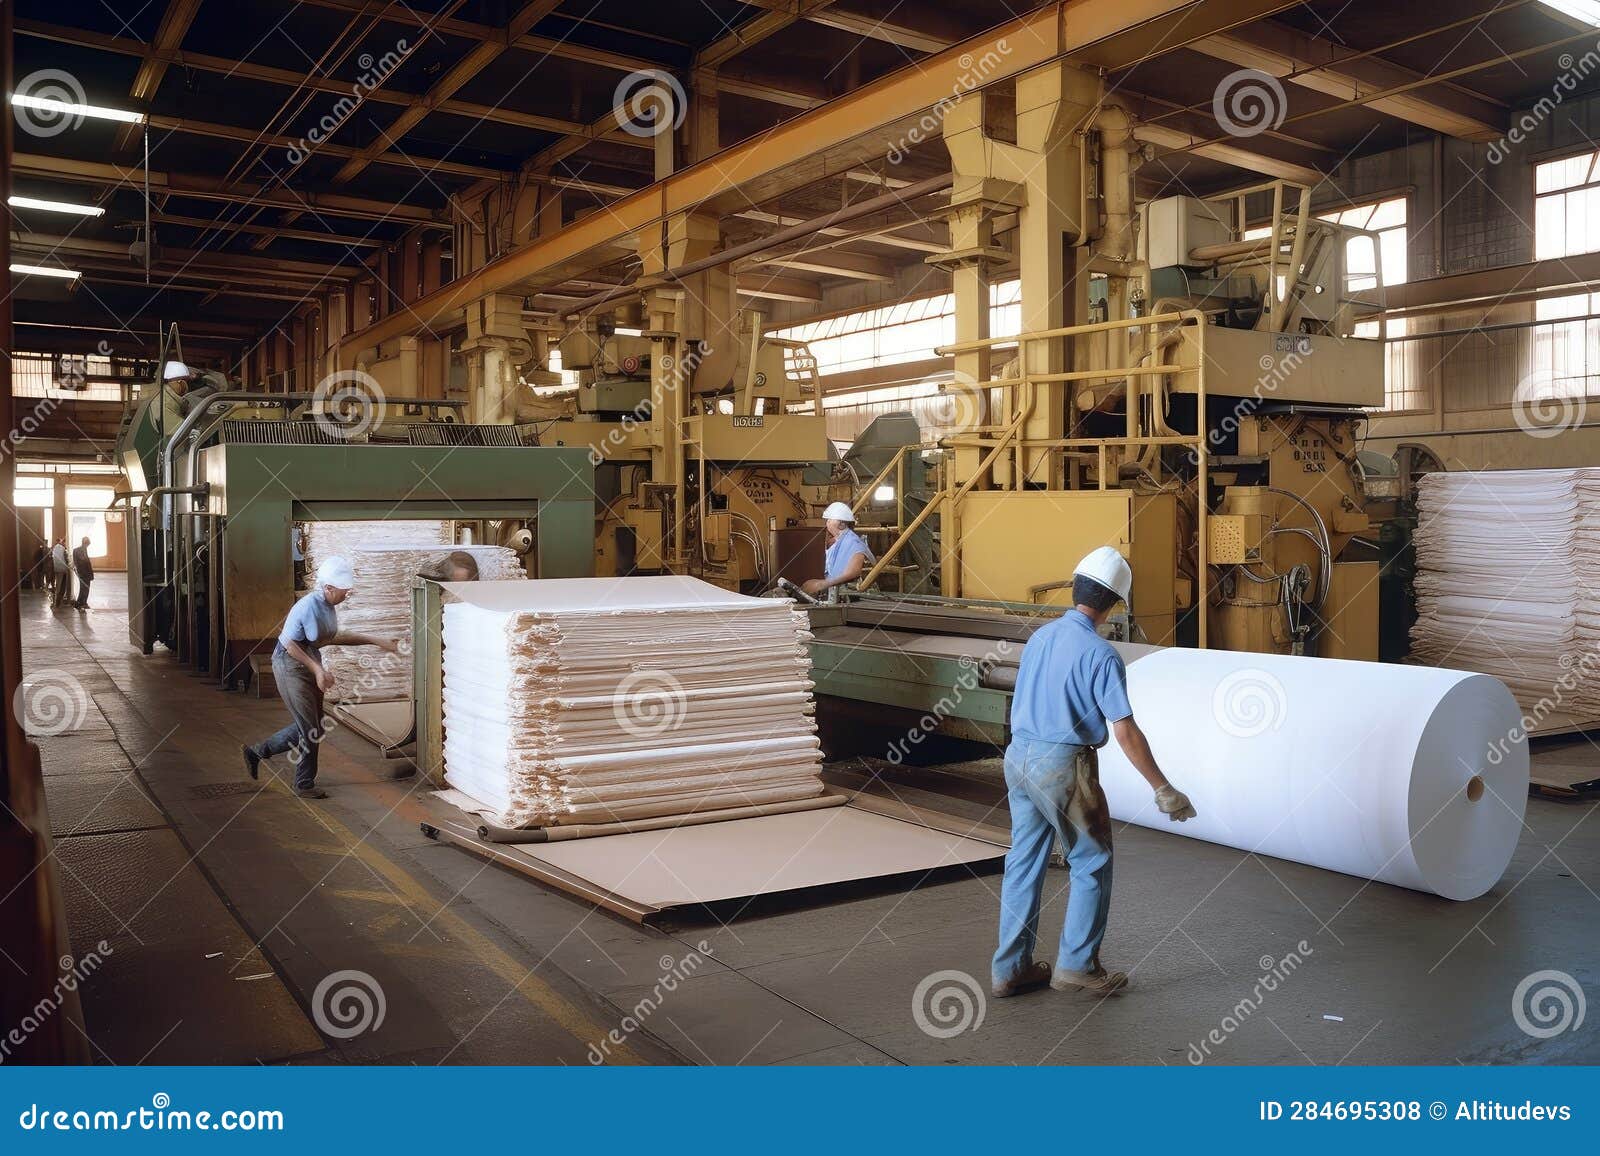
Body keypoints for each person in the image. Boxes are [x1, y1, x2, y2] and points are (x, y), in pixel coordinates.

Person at [992, 546, 1197, 1000]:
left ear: (1076, 588)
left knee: (1023, 863)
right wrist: (1162, 788)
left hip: (1019, 756)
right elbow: (1124, 730)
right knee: (1091, 859)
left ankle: (1010, 970)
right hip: (1062, 765)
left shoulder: (1041, 638)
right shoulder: (1101, 655)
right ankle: (1077, 966)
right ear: (1113, 604)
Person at [242, 556, 398, 800]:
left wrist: (376, 641)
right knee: (311, 729)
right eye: (344, 591)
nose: (347, 595)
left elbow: (334, 637)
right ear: (328, 587)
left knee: (315, 727)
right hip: (288, 663)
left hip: (309, 660)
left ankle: (257, 752)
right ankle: (304, 783)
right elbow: (290, 643)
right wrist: (317, 670)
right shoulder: (307, 606)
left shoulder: (329, 606)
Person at [802, 501, 876, 597]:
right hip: (836, 590)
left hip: (850, 593)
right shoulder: (839, 541)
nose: (827, 522)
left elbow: (854, 572)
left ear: (841, 524)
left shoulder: (853, 542)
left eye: (830, 519)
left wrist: (822, 584)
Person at [71, 537, 94, 609]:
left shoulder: (76, 550)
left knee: (83, 588)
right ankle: (83, 603)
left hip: (81, 572)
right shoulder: (81, 550)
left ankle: (79, 603)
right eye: (87, 544)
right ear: (85, 543)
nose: (87, 546)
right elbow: (85, 562)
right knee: (85, 588)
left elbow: (76, 562)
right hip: (84, 573)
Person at [49, 539, 72, 608]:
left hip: (56, 569)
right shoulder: (64, 549)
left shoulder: (54, 548)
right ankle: (59, 602)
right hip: (64, 569)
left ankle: (56, 602)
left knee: (58, 586)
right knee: (63, 586)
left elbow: (51, 558)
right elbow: (67, 559)